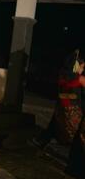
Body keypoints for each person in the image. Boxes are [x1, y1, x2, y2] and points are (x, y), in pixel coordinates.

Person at [31, 49, 85, 178]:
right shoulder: (74, 78)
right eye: (82, 66)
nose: (82, 68)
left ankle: (42, 140)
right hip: (72, 113)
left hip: (68, 112)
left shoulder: (68, 76)